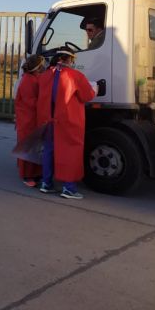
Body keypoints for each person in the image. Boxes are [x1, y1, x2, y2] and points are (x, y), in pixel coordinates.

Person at [36, 47, 97, 199]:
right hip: (68, 120)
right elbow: (87, 95)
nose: (73, 63)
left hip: (48, 119)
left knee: (49, 150)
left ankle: (46, 183)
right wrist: (95, 88)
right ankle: (68, 188)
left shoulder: (44, 76)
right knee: (70, 151)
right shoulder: (75, 75)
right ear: (68, 59)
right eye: (72, 60)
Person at [14, 54, 45, 187]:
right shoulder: (28, 80)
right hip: (28, 119)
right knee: (28, 146)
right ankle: (27, 175)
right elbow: (30, 102)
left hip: (32, 118)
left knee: (35, 147)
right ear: (37, 67)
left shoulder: (32, 78)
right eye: (42, 64)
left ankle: (36, 173)